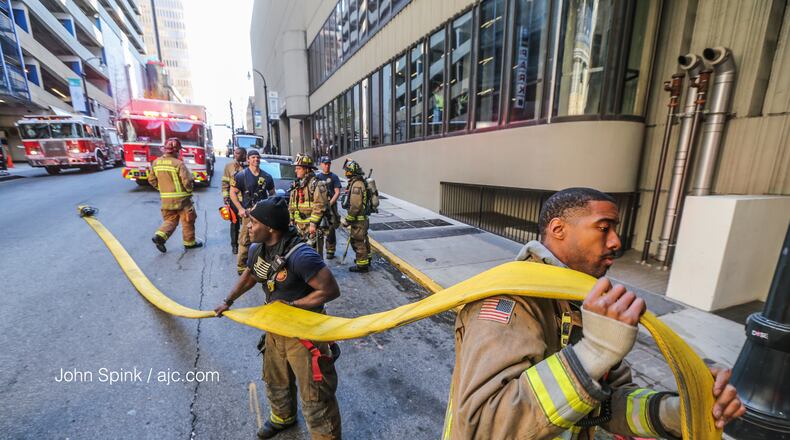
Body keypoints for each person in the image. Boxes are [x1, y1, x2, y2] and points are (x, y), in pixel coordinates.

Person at [443, 187, 746, 439]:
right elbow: (484, 426)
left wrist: (676, 412)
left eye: (615, 229)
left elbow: (606, 405)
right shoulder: (509, 301)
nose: (616, 241)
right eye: (603, 228)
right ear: (558, 229)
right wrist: (593, 353)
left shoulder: (578, 298)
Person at [214, 197, 342, 440]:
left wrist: (292, 305)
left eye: (252, 222)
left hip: (305, 335)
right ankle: (283, 418)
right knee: (275, 380)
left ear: (270, 227)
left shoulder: (301, 256)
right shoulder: (257, 249)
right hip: (275, 329)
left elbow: (330, 291)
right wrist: (228, 301)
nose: (248, 226)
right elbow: (251, 276)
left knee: (316, 396)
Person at [148, 138, 202, 252]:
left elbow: (151, 179)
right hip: (182, 200)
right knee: (188, 220)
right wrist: (189, 191)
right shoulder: (178, 164)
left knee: (170, 220)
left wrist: (162, 189)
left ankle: (160, 237)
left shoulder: (156, 162)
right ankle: (189, 243)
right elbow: (186, 181)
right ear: (176, 150)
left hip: (166, 201)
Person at [230, 149, 275, 274]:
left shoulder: (267, 177)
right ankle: (241, 267)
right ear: (248, 160)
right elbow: (232, 193)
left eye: (258, 157)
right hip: (248, 214)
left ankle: (261, 266)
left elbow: (272, 194)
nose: (256, 159)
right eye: (253, 157)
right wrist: (240, 208)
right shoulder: (241, 176)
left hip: (263, 215)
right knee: (245, 240)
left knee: (264, 240)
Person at [288, 153, 328, 255]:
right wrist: (291, 220)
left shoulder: (317, 184)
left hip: (311, 228)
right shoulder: (296, 185)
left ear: (307, 169)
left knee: (312, 256)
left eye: (298, 168)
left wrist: (313, 224)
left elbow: (320, 205)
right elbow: (292, 205)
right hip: (298, 228)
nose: (295, 170)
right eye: (296, 168)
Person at [341, 159, 370, 272]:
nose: (346, 173)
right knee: (364, 240)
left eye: (347, 171)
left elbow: (355, 205)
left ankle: (362, 265)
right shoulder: (358, 182)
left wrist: (348, 220)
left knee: (357, 242)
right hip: (362, 220)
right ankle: (366, 259)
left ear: (351, 171)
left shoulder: (356, 185)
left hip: (358, 221)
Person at [315, 156, 342, 259]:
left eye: (329, 164)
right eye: (325, 164)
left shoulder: (334, 177)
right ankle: (319, 250)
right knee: (319, 227)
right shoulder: (318, 177)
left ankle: (331, 250)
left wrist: (330, 204)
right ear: (321, 164)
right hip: (320, 206)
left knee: (331, 228)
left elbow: (337, 192)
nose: (327, 166)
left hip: (331, 207)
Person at [222, 147, 246, 254]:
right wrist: (226, 197)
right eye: (235, 153)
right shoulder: (229, 166)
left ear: (244, 155)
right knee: (234, 223)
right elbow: (225, 183)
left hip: (247, 200)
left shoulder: (249, 165)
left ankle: (246, 245)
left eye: (238, 153)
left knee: (247, 224)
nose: (235, 155)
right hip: (234, 200)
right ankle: (234, 245)